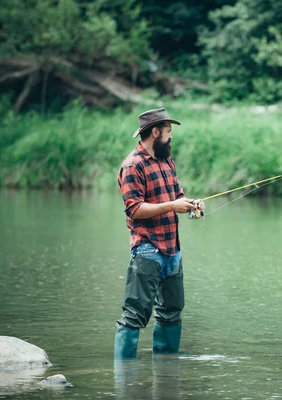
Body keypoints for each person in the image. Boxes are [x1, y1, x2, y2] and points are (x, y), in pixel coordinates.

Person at [114, 107, 204, 358]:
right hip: (147, 251)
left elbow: (178, 196)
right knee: (134, 315)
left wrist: (190, 203)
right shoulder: (133, 166)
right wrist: (172, 206)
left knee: (172, 312)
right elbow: (134, 210)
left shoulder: (167, 162)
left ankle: (167, 374)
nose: (171, 137)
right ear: (155, 132)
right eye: (168, 132)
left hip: (172, 252)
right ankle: (124, 381)